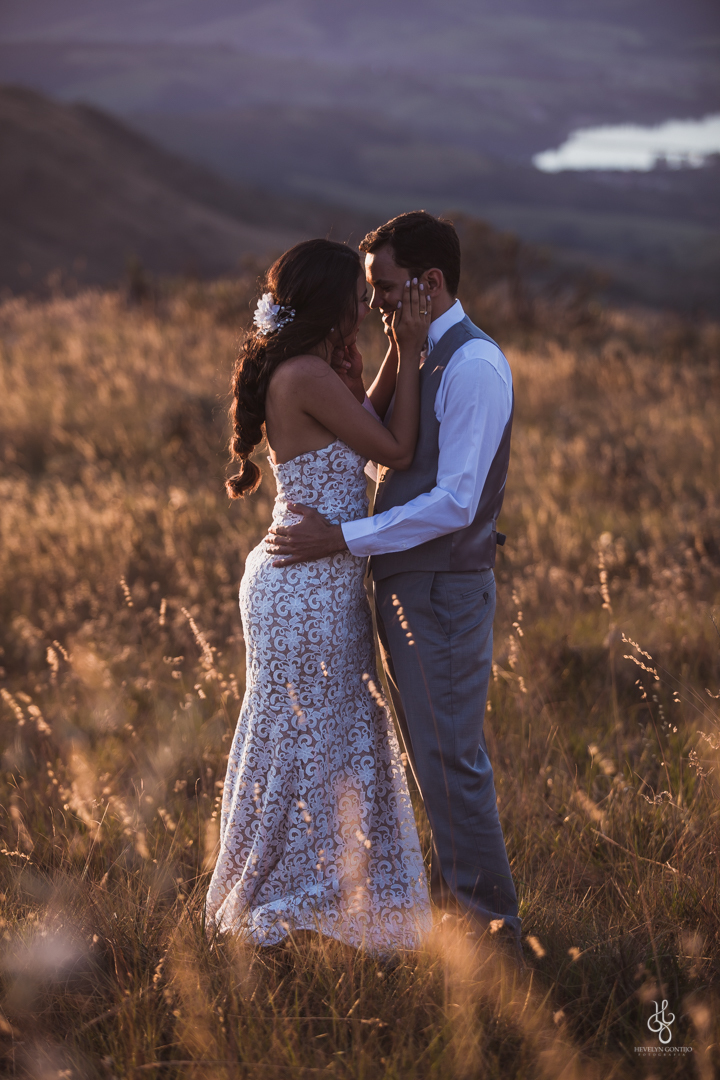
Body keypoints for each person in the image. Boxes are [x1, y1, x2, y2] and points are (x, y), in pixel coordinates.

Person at [267, 212, 522, 948]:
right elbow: (387, 459)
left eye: (385, 287)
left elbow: (455, 502)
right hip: (407, 586)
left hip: (443, 591)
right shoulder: (425, 356)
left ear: (431, 282)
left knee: (452, 758)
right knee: (426, 756)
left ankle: (493, 927)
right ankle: (453, 908)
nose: (374, 303)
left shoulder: (473, 366)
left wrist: (342, 536)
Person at [205, 238, 433, 952]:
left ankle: (310, 882)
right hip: (306, 587)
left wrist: (394, 352)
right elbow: (391, 450)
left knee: (318, 737)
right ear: (332, 305)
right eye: (357, 302)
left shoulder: (302, 371)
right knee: (313, 738)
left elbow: (356, 430)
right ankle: (292, 893)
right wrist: (418, 353)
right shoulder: (304, 374)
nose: (367, 310)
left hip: (307, 579)